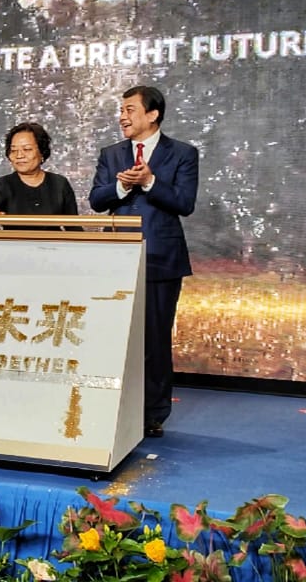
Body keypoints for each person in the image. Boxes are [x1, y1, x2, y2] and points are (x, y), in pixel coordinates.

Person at [88, 85, 198, 439]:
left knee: (154, 339)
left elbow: (185, 203)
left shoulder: (182, 153)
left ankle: (152, 413)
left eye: (130, 110)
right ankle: (113, 407)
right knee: (113, 338)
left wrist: (150, 181)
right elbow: (96, 200)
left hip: (160, 259)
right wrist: (121, 188)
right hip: (116, 258)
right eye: (121, 110)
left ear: (153, 114)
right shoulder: (111, 153)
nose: (123, 116)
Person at [0, 122, 78, 228]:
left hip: (53, 239)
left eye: (27, 149)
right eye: (13, 150)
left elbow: (74, 226)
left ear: (42, 152)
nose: (19, 155)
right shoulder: (4, 184)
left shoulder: (59, 183)